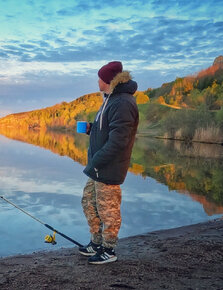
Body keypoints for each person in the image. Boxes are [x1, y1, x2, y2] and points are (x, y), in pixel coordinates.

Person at [79, 61, 139, 264]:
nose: (97, 81)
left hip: (108, 167)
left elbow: (119, 141)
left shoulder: (123, 103)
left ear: (107, 80)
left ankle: (109, 249)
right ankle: (96, 243)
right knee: (89, 202)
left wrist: (97, 161)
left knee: (109, 210)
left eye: (100, 78)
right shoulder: (110, 100)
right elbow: (107, 130)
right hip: (97, 166)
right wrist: (92, 129)